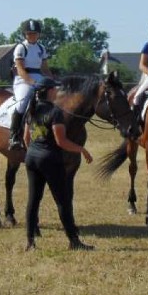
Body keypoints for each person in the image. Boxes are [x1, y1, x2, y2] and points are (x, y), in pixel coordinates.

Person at [23, 80, 94, 251]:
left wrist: (34, 151)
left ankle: (30, 242)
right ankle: (74, 241)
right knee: (63, 201)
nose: (57, 90)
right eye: (55, 88)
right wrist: (82, 150)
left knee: (33, 200)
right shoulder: (55, 112)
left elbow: (26, 138)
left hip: (31, 158)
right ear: (49, 91)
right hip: (50, 160)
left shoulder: (31, 110)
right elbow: (61, 141)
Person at [10, 18, 53, 150]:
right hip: (23, 81)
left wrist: (53, 81)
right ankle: (14, 136)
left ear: (39, 34)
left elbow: (45, 69)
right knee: (22, 103)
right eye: (29, 33)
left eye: (35, 33)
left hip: (39, 78)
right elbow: (21, 70)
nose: (32, 36)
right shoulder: (21, 48)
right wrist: (32, 82)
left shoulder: (41, 48)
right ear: (25, 34)